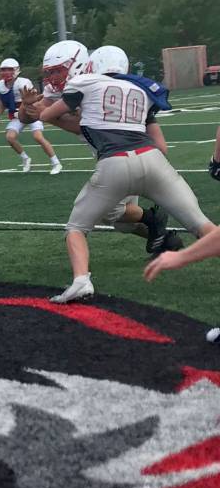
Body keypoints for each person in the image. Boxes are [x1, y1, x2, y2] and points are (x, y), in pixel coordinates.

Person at [41, 46, 215, 303]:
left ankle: (81, 281)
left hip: (114, 163)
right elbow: (160, 144)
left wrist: (41, 109)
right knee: (202, 225)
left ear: (90, 66)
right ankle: (158, 227)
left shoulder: (85, 82)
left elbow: (46, 114)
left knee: (77, 228)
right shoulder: (141, 90)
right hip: (153, 159)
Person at [21, 41, 177, 258]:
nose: (52, 78)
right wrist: (26, 106)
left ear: (77, 65)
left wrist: (47, 116)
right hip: (110, 153)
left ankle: (155, 220)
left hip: (125, 153)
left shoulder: (92, 84)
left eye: (58, 70)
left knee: (109, 210)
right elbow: (28, 116)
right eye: (50, 72)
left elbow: (84, 127)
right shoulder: (61, 88)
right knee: (122, 222)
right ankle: (166, 239)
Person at [0, 58, 62, 175]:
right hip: (17, 115)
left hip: (31, 111)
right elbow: (3, 103)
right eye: (3, 69)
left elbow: (33, 100)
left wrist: (23, 110)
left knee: (38, 137)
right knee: (10, 137)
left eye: (9, 69)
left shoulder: (23, 82)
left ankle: (55, 162)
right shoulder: (0, 86)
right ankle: (25, 158)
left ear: (16, 70)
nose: (6, 72)